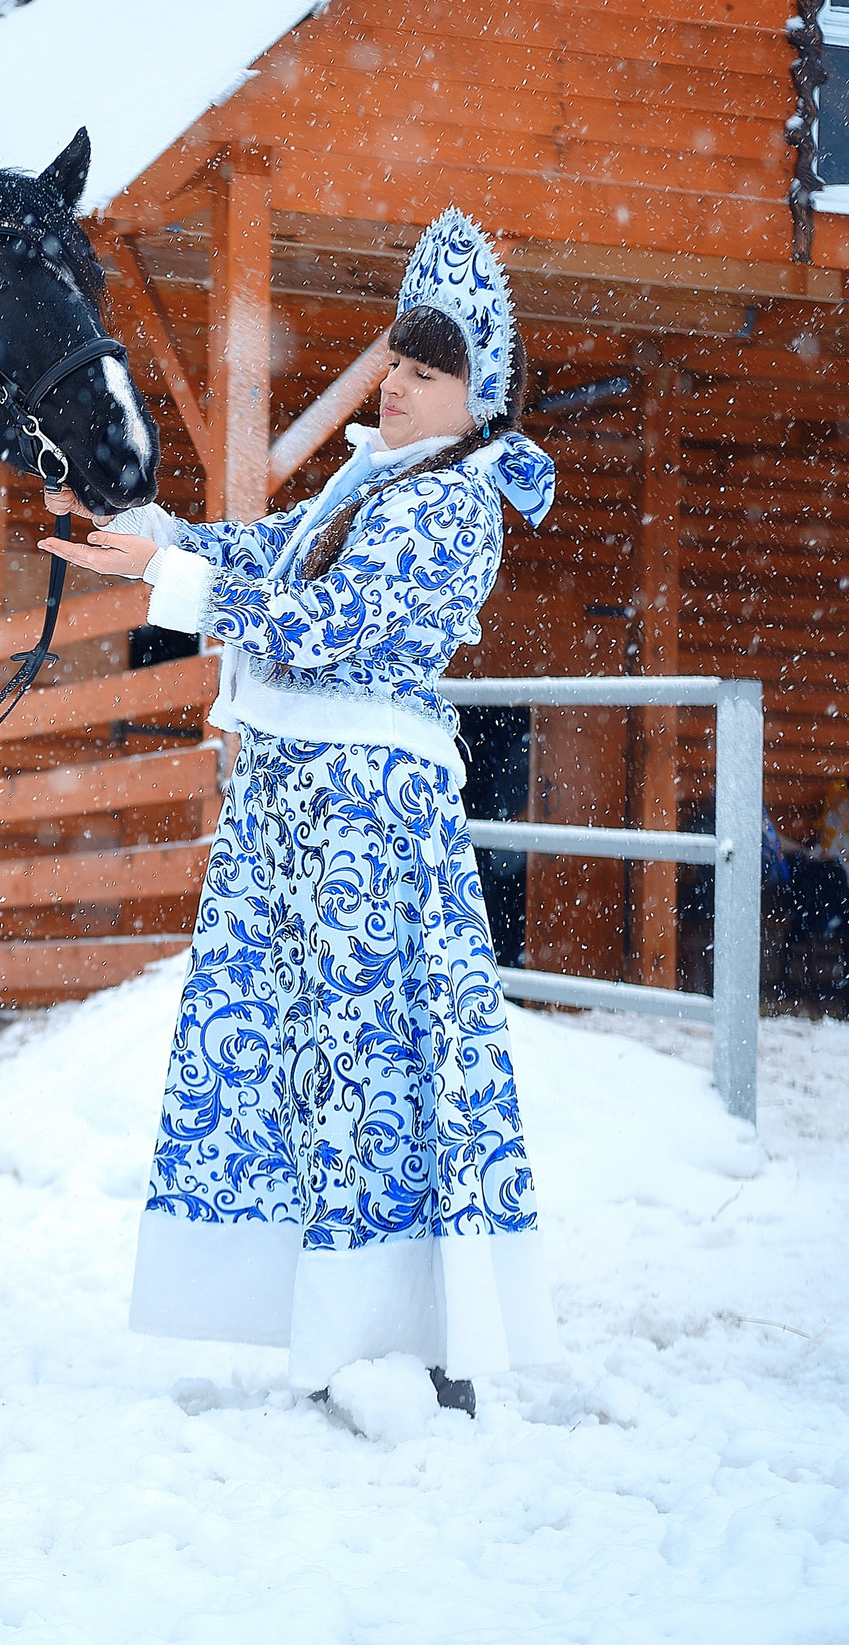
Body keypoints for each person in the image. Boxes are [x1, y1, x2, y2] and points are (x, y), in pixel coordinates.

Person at [38, 210, 564, 1416]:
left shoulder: (452, 503)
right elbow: (260, 558)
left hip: (366, 820)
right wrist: (148, 535)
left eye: (425, 373)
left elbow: (331, 629)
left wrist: (170, 579)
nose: (396, 386)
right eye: (396, 363)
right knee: (311, 1061)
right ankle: (349, 1329)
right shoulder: (371, 480)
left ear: (476, 395)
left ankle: (410, 1338)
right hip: (300, 809)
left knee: (370, 1060)